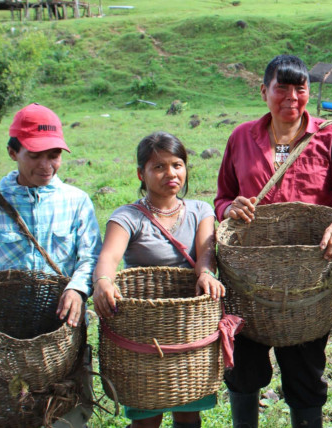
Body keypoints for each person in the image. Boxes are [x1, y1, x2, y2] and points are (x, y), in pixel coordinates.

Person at [214, 54, 332, 428]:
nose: (291, 97)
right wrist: (229, 208)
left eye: (299, 88)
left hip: (308, 280)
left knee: (304, 374)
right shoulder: (241, 137)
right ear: (263, 91)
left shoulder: (331, 135)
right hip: (248, 280)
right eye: (280, 88)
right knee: (244, 370)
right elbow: (221, 198)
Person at [0, 103, 101, 427]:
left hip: (60, 332)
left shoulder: (76, 202)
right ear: (12, 152)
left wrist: (77, 288)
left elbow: (90, 257)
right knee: (6, 412)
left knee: (65, 411)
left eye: (54, 154)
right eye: (35, 155)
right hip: (4, 337)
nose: (47, 165)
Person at [91, 132, 226, 428]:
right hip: (145, 328)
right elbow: (109, 258)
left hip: (189, 325)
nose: (170, 174)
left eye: (177, 165)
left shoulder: (200, 210)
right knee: (146, 420)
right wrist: (103, 281)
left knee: (189, 415)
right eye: (159, 167)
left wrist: (205, 272)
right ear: (142, 173)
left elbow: (206, 252)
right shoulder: (127, 216)